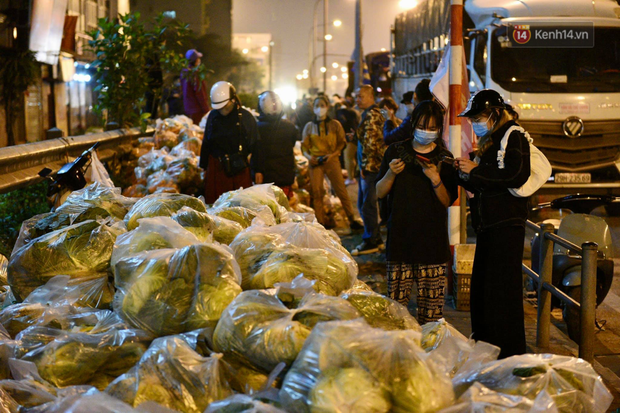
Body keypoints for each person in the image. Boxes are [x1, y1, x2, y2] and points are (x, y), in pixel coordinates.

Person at [455, 89, 531, 358]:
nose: (475, 123)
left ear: (495, 114)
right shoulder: (491, 139)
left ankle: (507, 354)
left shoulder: (515, 136)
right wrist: (461, 172)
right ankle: (485, 347)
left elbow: (516, 175)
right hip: (488, 226)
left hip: (506, 226)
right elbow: (483, 180)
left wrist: (476, 171)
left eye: (479, 117)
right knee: (484, 291)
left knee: (502, 293)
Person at [376, 100, 458, 323]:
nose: (427, 132)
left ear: (439, 129)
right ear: (413, 125)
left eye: (433, 128)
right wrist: (391, 174)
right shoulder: (396, 151)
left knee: (431, 318)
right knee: (395, 313)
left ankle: (429, 355)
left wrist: (436, 180)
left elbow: (447, 201)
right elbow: (379, 192)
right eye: (423, 126)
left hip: (432, 245)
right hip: (400, 241)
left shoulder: (445, 158)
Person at [302, 95, 362, 230]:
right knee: (317, 193)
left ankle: (352, 220)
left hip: (332, 161)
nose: (319, 109)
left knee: (341, 191)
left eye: (322, 105)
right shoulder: (309, 126)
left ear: (327, 107)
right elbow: (304, 146)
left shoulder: (335, 125)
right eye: (317, 106)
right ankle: (320, 224)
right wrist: (308, 156)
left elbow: (342, 143)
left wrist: (333, 154)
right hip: (315, 162)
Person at [200, 81, 258, 204]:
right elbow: (206, 142)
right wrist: (203, 166)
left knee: (239, 207)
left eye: (225, 107)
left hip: (239, 169)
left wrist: (258, 170)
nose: (222, 111)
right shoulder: (213, 116)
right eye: (219, 108)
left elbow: (255, 145)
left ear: (233, 100)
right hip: (217, 168)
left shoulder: (245, 116)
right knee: (216, 206)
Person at [351, 85, 387, 255]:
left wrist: (365, 166)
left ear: (370, 97)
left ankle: (371, 240)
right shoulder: (370, 114)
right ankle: (376, 238)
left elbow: (372, 145)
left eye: (360, 96)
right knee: (367, 203)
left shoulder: (372, 115)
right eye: (356, 97)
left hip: (371, 168)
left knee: (367, 205)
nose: (357, 100)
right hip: (370, 166)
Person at [253, 91, 298, 197]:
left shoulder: (257, 128)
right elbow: (292, 143)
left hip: (265, 179)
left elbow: (256, 152)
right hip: (285, 176)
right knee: (283, 209)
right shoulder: (290, 127)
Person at [383, 79, 433, 145]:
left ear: (415, 96)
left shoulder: (413, 120)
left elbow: (388, 138)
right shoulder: (438, 116)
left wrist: (389, 120)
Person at [181, 49, 210, 124]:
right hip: (197, 110)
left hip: (188, 108)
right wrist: (206, 110)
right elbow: (200, 93)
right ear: (195, 60)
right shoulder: (195, 74)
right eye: (198, 58)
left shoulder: (184, 73)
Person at [335, 99, 360, 186]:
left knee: (348, 158)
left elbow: (343, 123)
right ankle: (352, 176)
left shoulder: (342, 113)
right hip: (354, 136)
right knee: (351, 157)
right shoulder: (354, 112)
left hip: (349, 137)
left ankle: (351, 178)